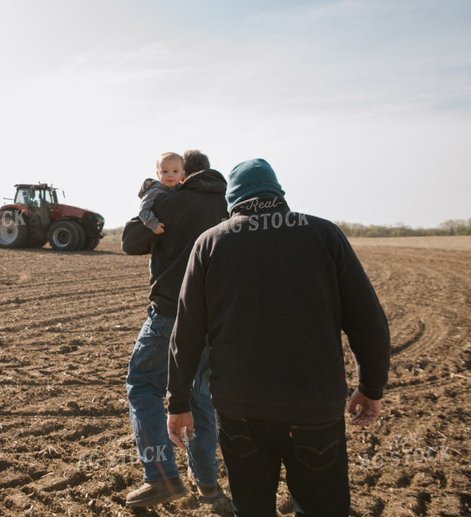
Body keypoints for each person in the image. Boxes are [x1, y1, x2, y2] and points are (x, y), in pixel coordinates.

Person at [166, 158, 390, 517]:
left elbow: (187, 333)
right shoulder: (324, 234)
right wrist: (372, 387)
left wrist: (178, 403)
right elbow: (370, 322)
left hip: (240, 410)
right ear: (278, 193)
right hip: (314, 407)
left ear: (233, 200)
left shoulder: (210, 244)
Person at [122, 150, 228, 508]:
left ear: (185, 175)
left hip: (169, 314)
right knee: (201, 397)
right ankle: (210, 487)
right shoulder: (226, 206)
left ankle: (161, 478)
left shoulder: (172, 199)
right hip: (212, 321)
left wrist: (155, 196)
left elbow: (130, 242)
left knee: (144, 385)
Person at [138, 152, 186, 234]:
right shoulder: (154, 191)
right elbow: (143, 210)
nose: (170, 175)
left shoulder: (184, 190)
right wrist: (153, 224)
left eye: (175, 171)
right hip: (160, 230)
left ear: (182, 174)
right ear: (158, 174)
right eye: (165, 171)